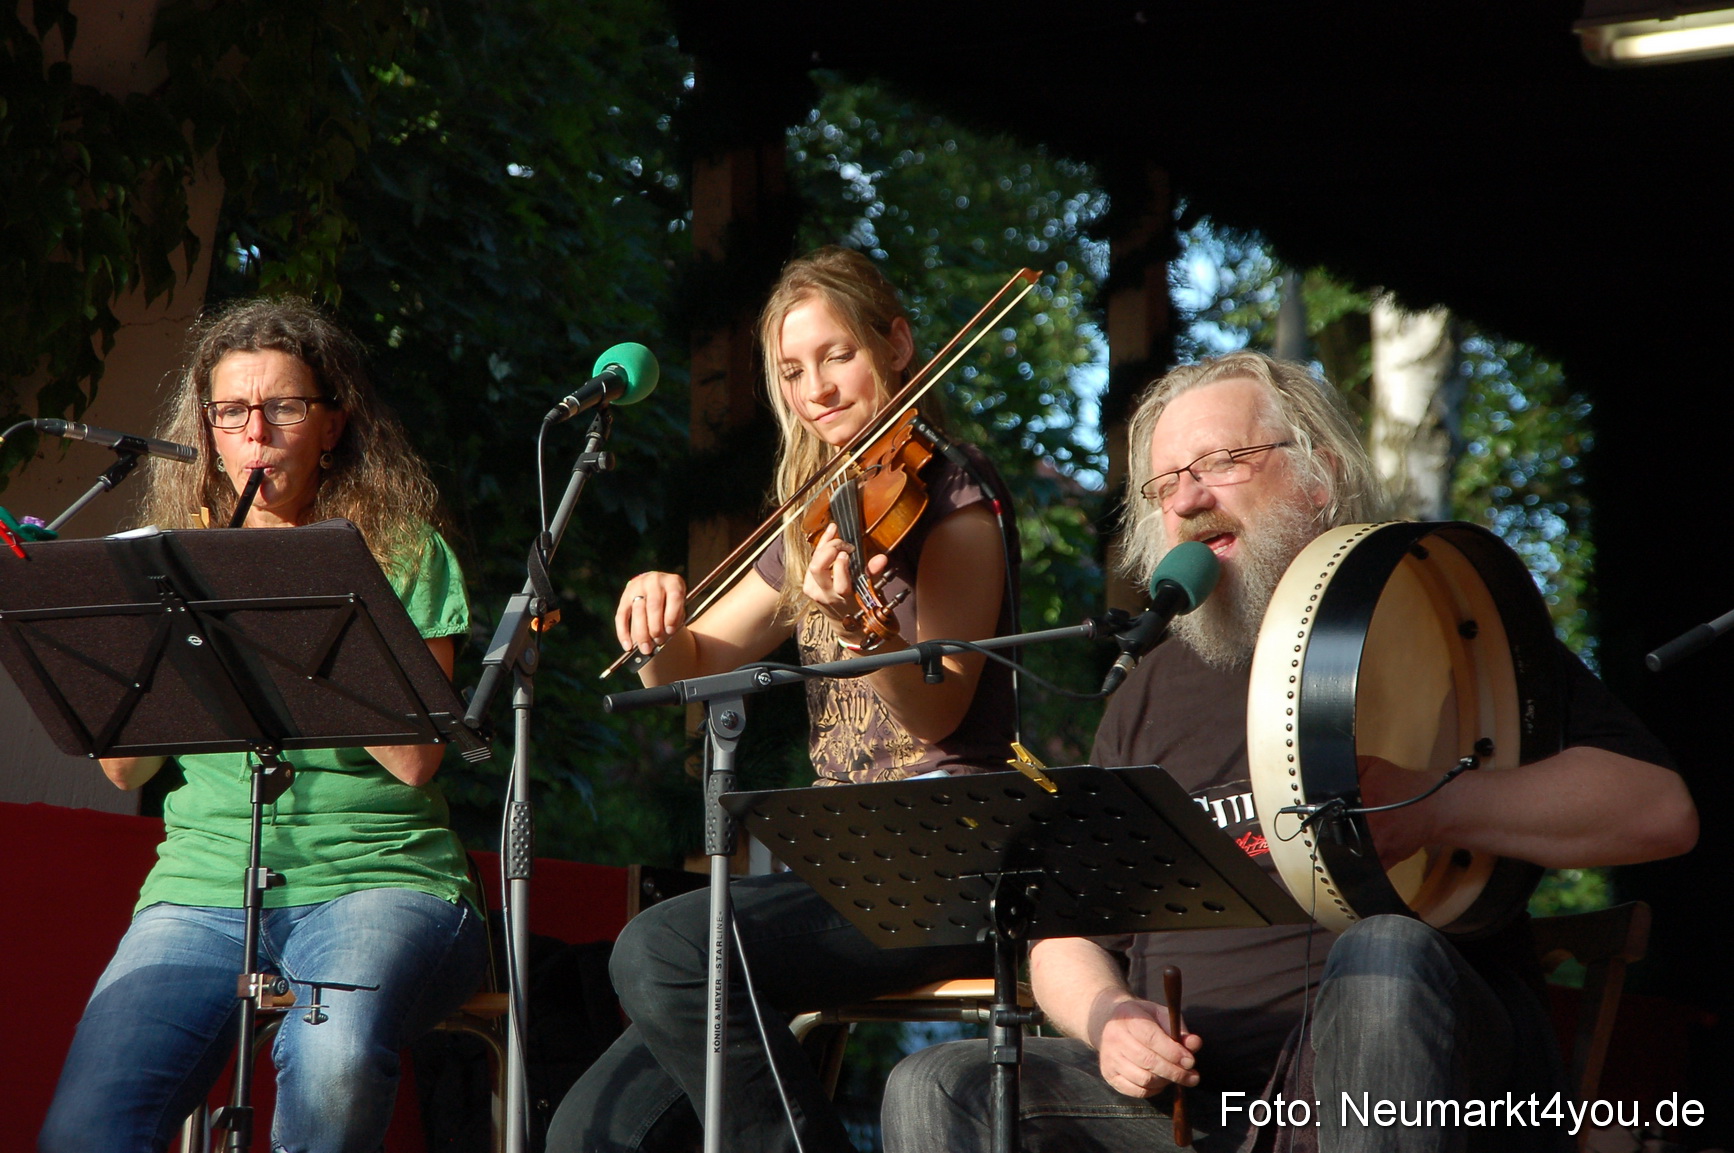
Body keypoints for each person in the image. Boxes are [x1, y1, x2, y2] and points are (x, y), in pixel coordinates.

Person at [881, 350, 1698, 1153]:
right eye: (1165, 484)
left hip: (1405, 1070)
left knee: (1383, 951)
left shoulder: (1432, 610)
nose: (1189, 499)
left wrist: (1438, 803)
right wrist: (1107, 1017)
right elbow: (1066, 927)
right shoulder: (1147, 688)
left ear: (1320, 476)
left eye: (1221, 462)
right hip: (1193, 1104)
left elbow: (1658, 810)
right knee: (936, 1085)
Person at [546, 246, 1020, 1153]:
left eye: (837, 355)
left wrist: (861, 626)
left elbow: (939, 711)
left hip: (949, 853)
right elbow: (693, 672)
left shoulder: (954, 495)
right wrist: (653, 623)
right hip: (845, 865)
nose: (818, 389)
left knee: (663, 947)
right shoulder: (818, 514)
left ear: (897, 343)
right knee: (587, 1133)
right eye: (793, 370)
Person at [38, 298, 488, 1153]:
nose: (258, 433)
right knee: (86, 1127)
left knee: (333, 1063)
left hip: (378, 878)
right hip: (202, 885)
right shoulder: (173, 551)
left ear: (332, 425)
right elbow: (123, 773)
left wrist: (298, 602)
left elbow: (419, 759)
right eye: (232, 412)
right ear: (206, 429)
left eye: (284, 407)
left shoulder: (402, 550)